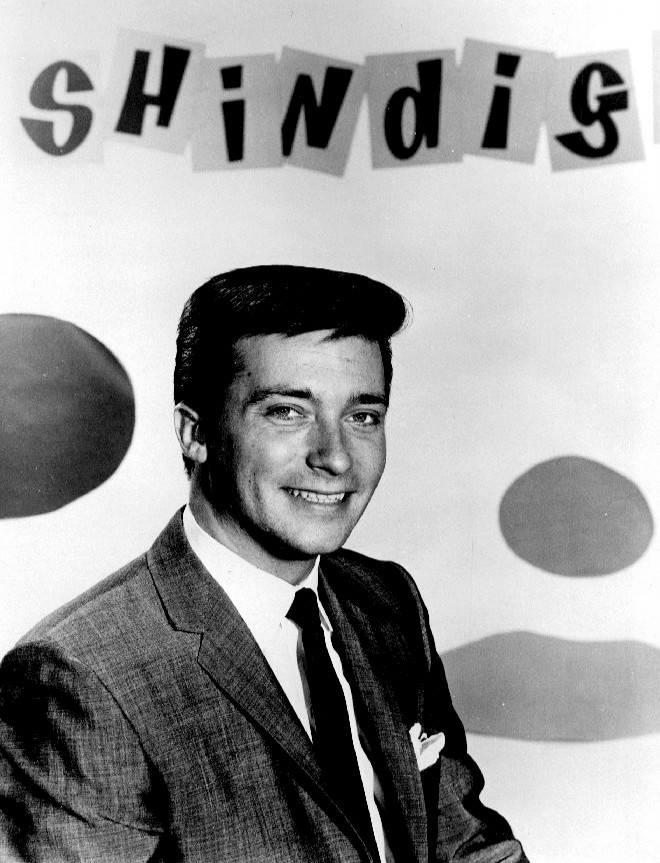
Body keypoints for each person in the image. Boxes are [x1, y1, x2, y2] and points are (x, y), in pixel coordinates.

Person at [0, 265, 528, 862]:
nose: (335, 457)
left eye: (362, 417)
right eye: (287, 412)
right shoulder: (79, 676)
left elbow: (469, 848)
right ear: (195, 433)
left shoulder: (386, 600)